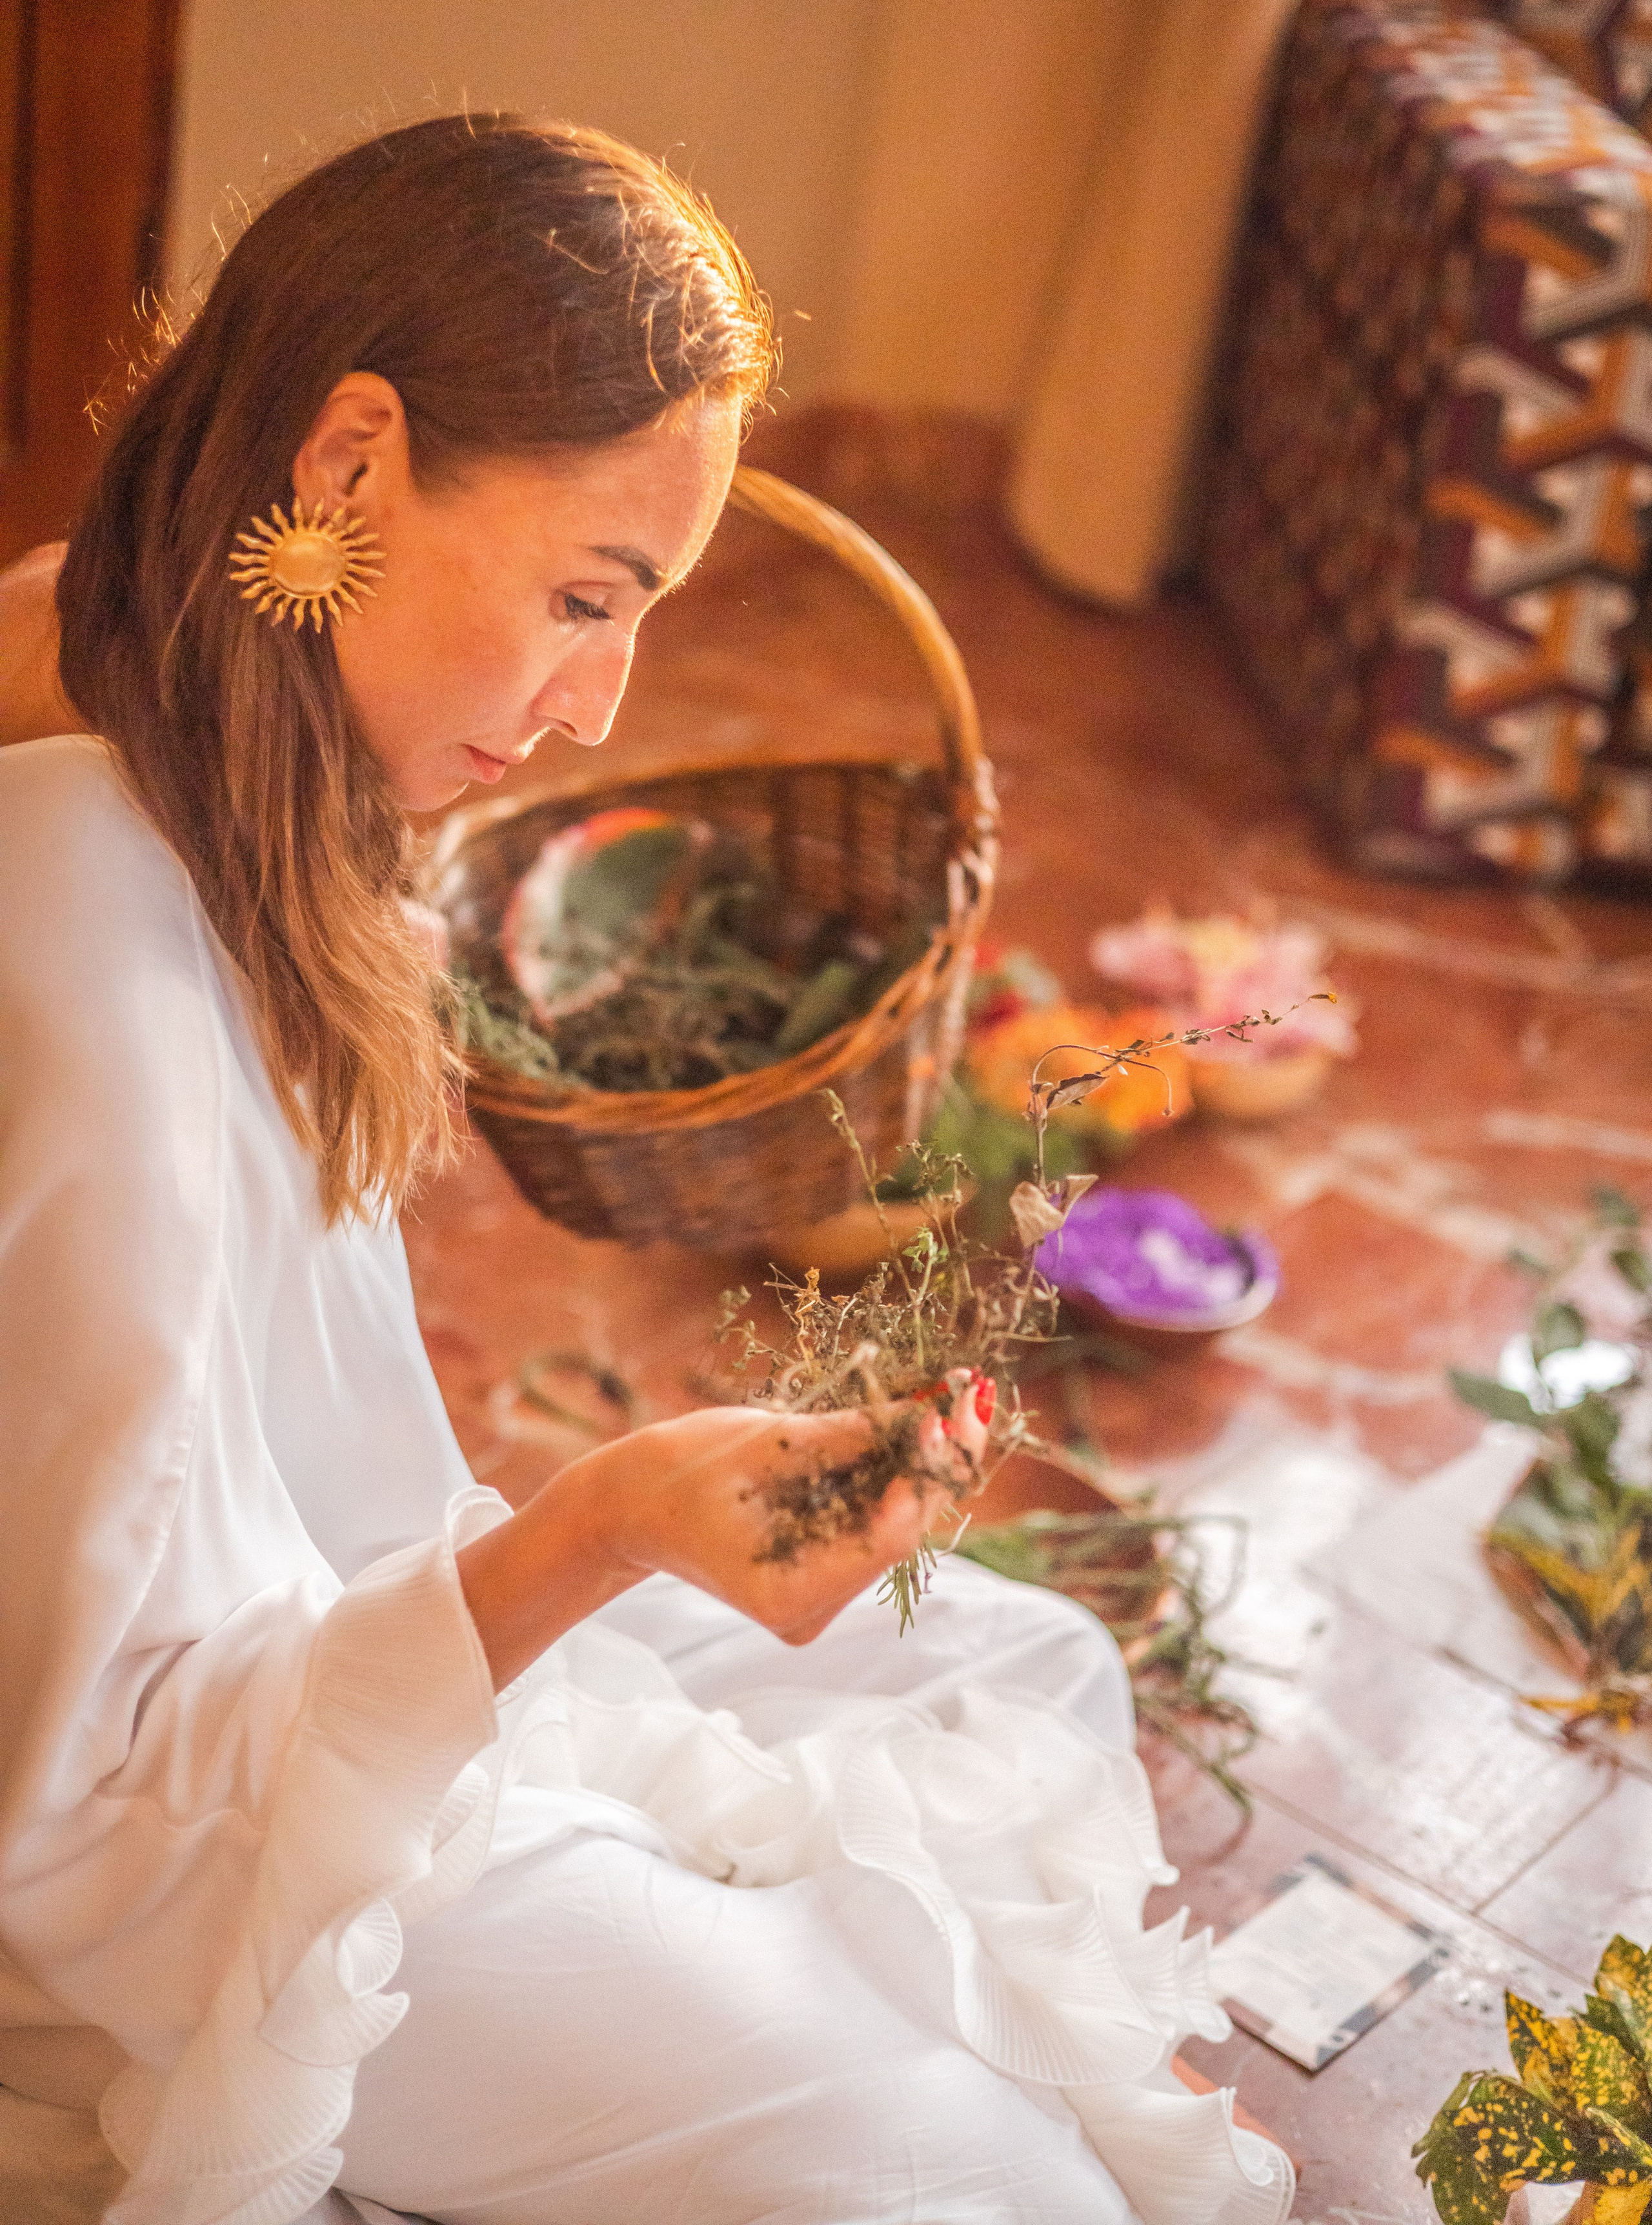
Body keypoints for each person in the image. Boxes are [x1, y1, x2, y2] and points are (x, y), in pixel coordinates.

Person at [0, 115, 1293, 2225]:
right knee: (970, 2185)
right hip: (224, 1875)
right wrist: (599, 1531)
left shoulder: (163, 665)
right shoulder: (81, 947)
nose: (602, 705)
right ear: (345, 465)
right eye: (585, 596)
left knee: (1008, 1667)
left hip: (348, 1644)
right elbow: (82, 1829)